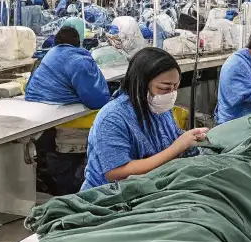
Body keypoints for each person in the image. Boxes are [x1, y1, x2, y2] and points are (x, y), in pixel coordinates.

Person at [82, 47, 209, 191]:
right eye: (165, 88)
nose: (172, 94)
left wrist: (190, 139)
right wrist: (177, 147)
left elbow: (169, 137)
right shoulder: (112, 118)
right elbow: (116, 172)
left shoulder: (158, 107)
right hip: (110, 194)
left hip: (150, 185)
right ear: (141, 84)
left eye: (176, 87)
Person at [25, 26, 110, 109]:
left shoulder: (51, 53)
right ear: (78, 42)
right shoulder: (79, 61)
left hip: (32, 99)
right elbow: (96, 100)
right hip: (56, 105)